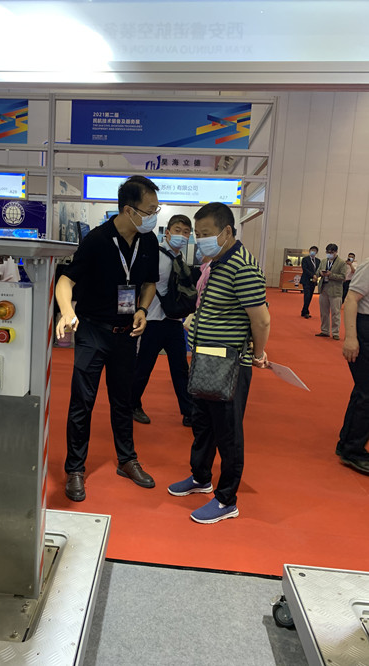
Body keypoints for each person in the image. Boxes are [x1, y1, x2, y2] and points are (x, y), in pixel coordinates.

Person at [55, 175, 160, 502]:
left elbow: (149, 283)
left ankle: (127, 460)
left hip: (125, 334)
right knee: (82, 402)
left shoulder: (149, 241)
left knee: (123, 401)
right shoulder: (98, 240)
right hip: (92, 331)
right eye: (150, 210)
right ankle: (75, 469)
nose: (154, 216)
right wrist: (66, 312)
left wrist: (142, 309)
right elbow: (65, 281)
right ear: (129, 210)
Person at [168, 202, 270, 524]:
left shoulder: (242, 266)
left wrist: (257, 353)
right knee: (203, 423)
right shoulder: (216, 263)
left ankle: (227, 499)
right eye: (197, 235)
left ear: (226, 231)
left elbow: (261, 319)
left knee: (228, 431)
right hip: (206, 357)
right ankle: (201, 477)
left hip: (230, 362)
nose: (200, 240)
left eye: (205, 234)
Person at [131, 214, 194, 428]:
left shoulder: (180, 259)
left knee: (180, 368)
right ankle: (132, 404)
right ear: (167, 233)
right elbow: (141, 283)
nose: (181, 236)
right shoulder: (154, 255)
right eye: (177, 230)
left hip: (173, 321)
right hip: (152, 320)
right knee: (143, 367)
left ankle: (188, 412)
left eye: (186, 232)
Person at [336, 258, 369, 473]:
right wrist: (350, 337)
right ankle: (353, 450)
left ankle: (347, 443)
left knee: (362, 392)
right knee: (366, 394)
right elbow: (350, 300)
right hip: (364, 328)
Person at [313, 243, 345, 340]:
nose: (329, 254)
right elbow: (317, 271)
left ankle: (335, 332)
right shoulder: (323, 261)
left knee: (335, 313)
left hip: (335, 291)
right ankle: (325, 330)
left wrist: (330, 275)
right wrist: (319, 273)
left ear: (336, 252)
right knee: (324, 312)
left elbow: (343, 277)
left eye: (331, 252)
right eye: (327, 252)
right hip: (324, 288)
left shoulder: (341, 263)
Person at [300, 246, 320, 318]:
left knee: (310, 296)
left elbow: (318, 270)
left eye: (314, 251)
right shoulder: (305, 259)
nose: (313, 252)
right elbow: (305, 269)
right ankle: (306, 311)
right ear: (309, 251)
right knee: (307, 296)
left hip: (313, 281)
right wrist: (312, 275)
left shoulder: (318, 261)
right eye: (312, 250)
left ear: (316, 252)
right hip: (306, 280)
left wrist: (316, 276)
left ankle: (304, 311)